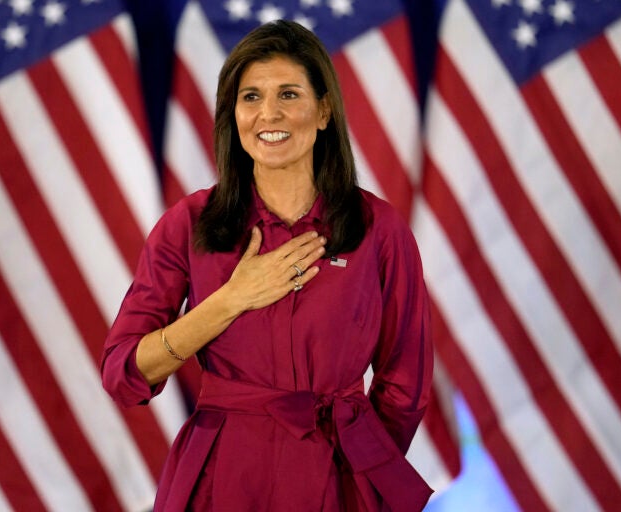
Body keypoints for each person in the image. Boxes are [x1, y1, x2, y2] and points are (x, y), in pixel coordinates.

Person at [101, 20, 433, 512]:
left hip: (341, 476)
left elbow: (405, 384)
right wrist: (233, 299)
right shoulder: (187, 225)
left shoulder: (380, 230)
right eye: (250, 97)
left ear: (323, 111)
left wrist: (357, 465)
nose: (268, 114)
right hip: (222, 476)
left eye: (289, 94)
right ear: (232, 114)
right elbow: (122, 373)